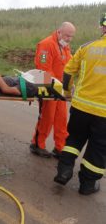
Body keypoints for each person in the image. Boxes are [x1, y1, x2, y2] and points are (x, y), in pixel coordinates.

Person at [54, 14, 106, 195]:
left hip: (81, 107)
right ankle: (87, 185)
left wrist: (67, 93)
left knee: (73, 140)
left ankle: (64, 171)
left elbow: (68, 72)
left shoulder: (87, 48)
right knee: (98, 149)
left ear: (102, 27)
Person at [30, 22, 76, 158]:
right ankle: (37, 144)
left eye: (71, 36)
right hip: (47, 87)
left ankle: (60, 147)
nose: (69, 39)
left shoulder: (65, 46)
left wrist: (69, 84)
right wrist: (56, 86)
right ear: (59, 32)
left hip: (60, 89)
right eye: (67, 35)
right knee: (47, 117)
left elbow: (69, 65)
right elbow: (44, 69)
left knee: (61, 118)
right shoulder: (46, 44)